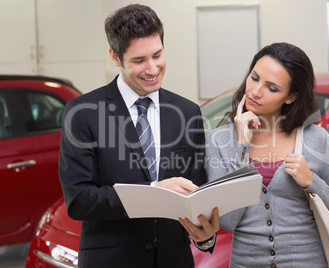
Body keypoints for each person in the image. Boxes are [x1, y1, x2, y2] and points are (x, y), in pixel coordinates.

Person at [59, 4, 218, 268]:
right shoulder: (82, 113)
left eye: (157, 55)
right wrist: (154, 191)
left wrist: (204, 237)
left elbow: (196, 192)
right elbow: (80, 200)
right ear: (115, 56)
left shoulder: (187, 112)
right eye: (139, 60)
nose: (153, 68)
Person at [205, 42, 329, 267]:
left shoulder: (316, 139)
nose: (255, 91)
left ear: (291, 97)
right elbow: (228, 220)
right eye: (254, 77)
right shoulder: (219, 140)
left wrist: (312, 182)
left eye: (272, 88)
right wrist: (241, 148)